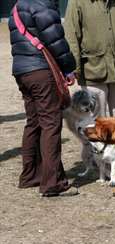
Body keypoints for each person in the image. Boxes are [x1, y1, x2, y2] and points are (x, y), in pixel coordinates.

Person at [8, 0, 77, 196]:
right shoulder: (42, 4)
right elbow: (55, 39)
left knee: (34, 122)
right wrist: (68, 67)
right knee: (51, 123)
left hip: (22, 69)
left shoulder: (18, 5)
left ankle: (30, 176)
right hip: (40, 70)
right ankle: (52, 183)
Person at [64, 0, 115, 119]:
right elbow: (71, 37)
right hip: (92, 71)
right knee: (97, 118)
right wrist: (74, 69)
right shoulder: (76, 2)